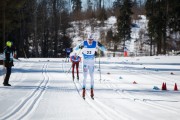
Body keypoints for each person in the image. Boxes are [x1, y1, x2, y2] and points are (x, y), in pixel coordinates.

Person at [74, 33, 106, 99]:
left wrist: (101, 46)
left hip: (91, 63)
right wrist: (80, 47)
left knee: (92, 77)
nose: (90, 41)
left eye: (91, 40)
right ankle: (83, 90)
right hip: (85, 62)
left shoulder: (95, 43)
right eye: (89, 40)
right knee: (85, 77)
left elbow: (104, 49)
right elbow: (76, 49)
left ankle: (92, 90)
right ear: (87, 39)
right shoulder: (84, 43)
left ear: (93, 39)